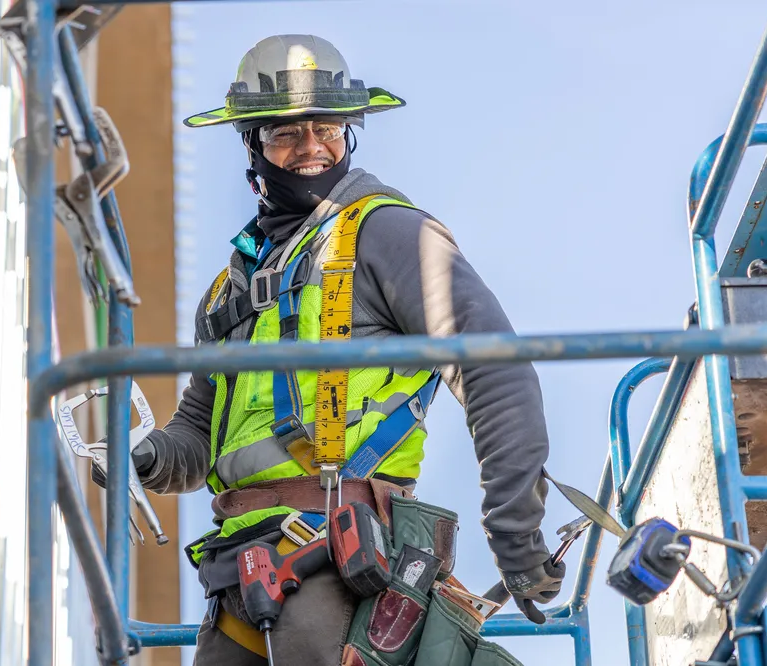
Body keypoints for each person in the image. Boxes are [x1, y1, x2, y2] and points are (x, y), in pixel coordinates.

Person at [93, 34, 564, 665]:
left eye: (330, 129)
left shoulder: (388, 233)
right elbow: (200, 435)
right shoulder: (231, 292)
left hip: (340, 562)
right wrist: (148, 458)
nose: (313, 148)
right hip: (241, 571)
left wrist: (514, 530)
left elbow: (493, 367)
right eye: (288, 133)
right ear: (252, 144)